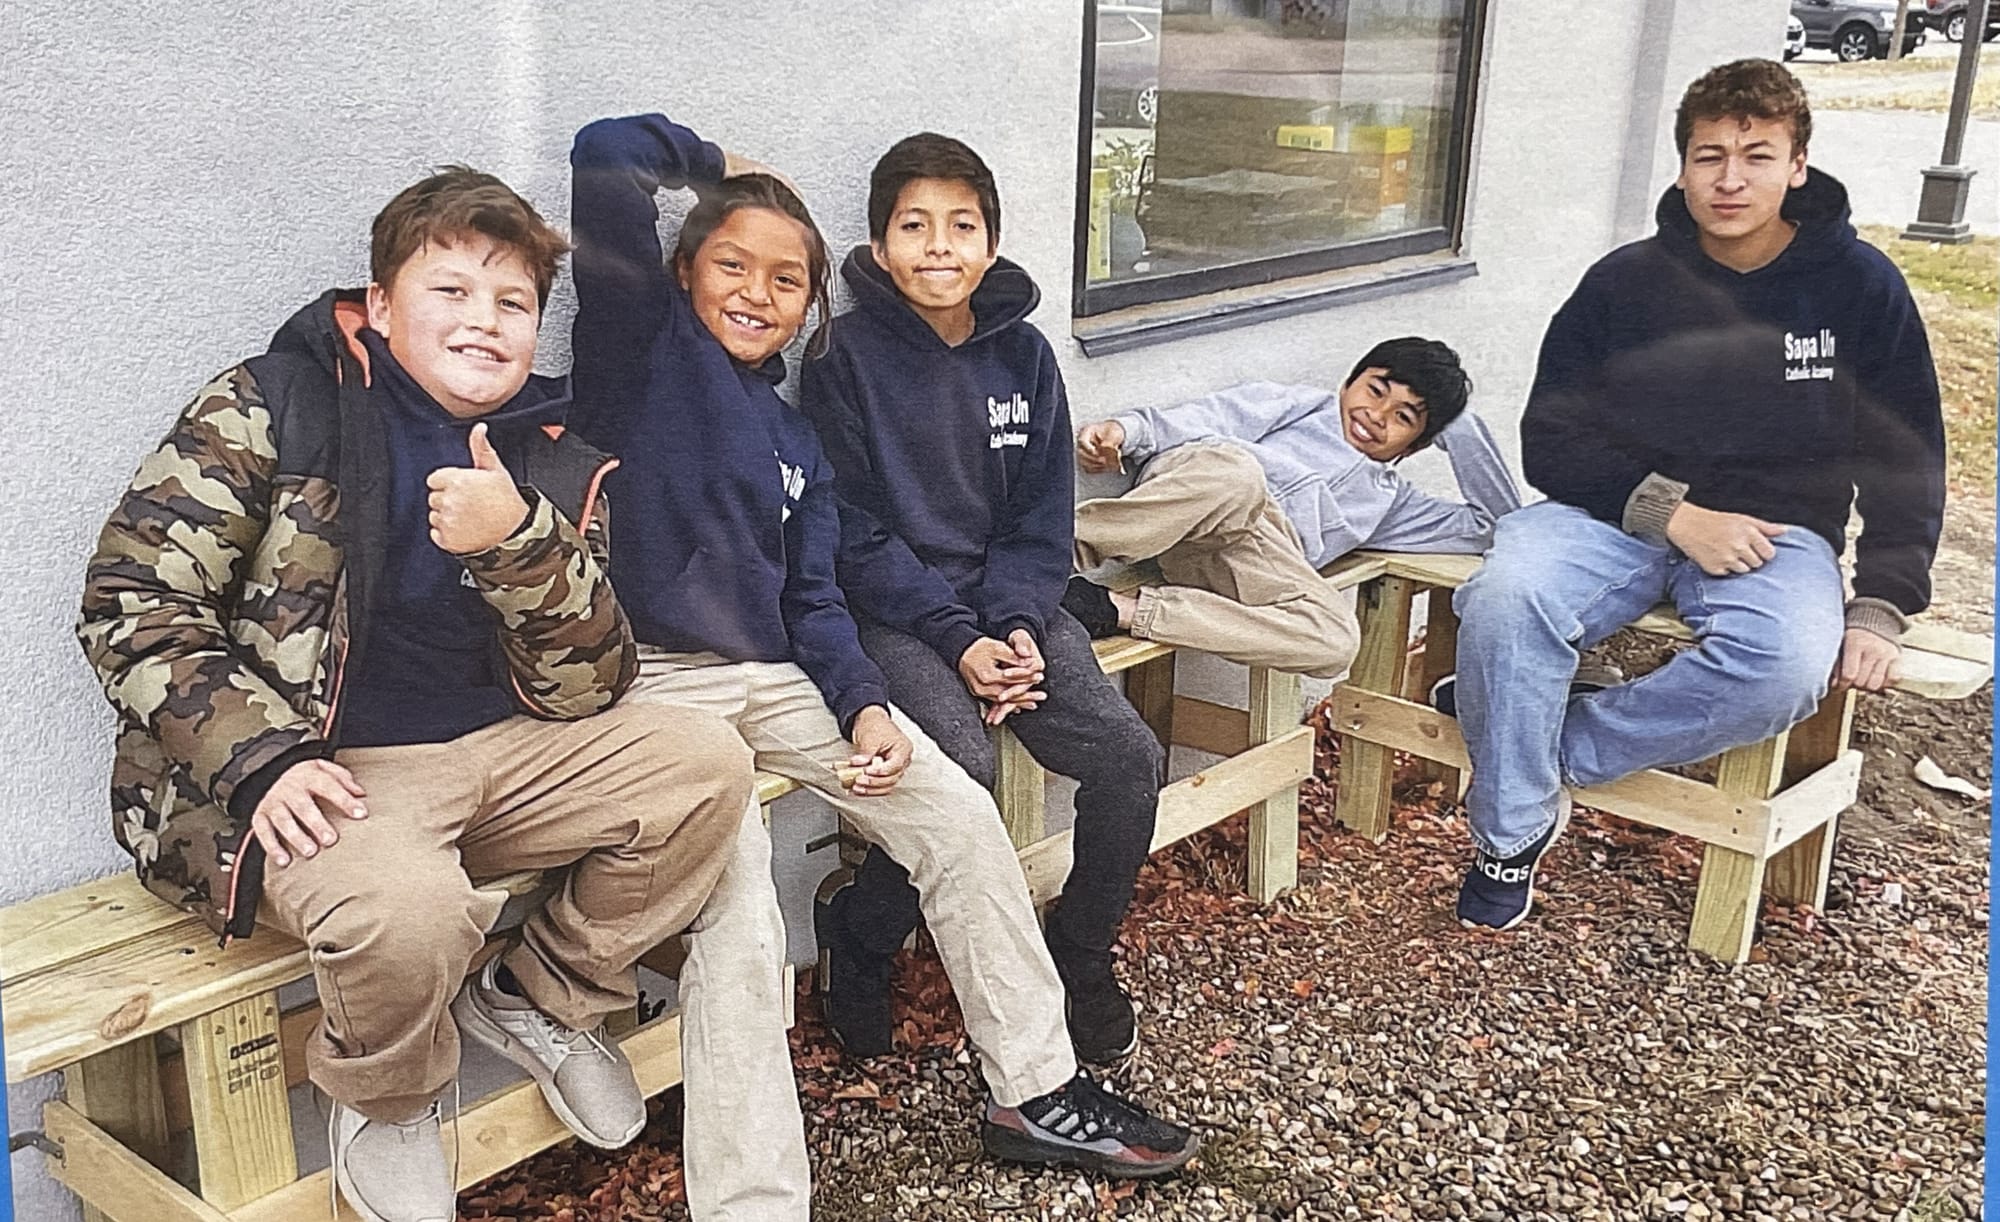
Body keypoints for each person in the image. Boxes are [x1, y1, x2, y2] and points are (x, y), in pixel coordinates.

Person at [76, 168, 751, 1222]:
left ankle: (539, 997)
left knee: (706, 767)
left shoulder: (549, 452)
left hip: (500, 755)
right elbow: (131, 601)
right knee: (411, 910)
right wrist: (262, 759)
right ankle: (386, 1095)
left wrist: (518, 542)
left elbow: (591, 686)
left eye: (513, 301)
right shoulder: (275, 403)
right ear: (382, 306)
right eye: (451, 291)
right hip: (321, 769)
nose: (484, 319)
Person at [566, 113, 1201, 1200]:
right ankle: (755, 1198)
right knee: (739, 916)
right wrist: (720, 166)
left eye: (784, 277)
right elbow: (601, 154)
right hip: (658, 688)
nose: (758, 293)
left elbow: (814, 599)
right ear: (679, 274)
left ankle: (1034, 1088)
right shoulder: (640, 357)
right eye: (732, 267)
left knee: (953, 807)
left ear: (813, 297)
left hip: (777, 676)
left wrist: (862, 705)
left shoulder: (796, 440)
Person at [1438, 58, 1943, 933]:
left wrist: (1883, 605)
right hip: (1615, 513)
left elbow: (1906, 452)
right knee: (1504, 594)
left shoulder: (1860, 287)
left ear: (1798, 163)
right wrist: (1670, 513)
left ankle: (1533, 741)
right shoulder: (1624, 284)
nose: (1731, 177)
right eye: (1709, 155)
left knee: (1784, 670)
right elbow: (1551, 437)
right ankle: (1511, 830)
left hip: (1778, 534)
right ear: (1682, 168)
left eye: (1756, 154)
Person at [800, 132, 1168, 1069]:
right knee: (957, 770)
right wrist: (958, 637)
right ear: (879, 248)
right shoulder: (843, 355)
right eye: (913, 225)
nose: (938, 245)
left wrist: (1012, 623)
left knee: (1128, 759)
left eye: (961, 225)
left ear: (991, 245)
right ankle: (863, 931)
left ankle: (1080, 959)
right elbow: (852, 530)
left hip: (1012, 609)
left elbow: (1042, 519)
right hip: (895, 611)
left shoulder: (1027, 357)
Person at [1066, 337, 1519, 679]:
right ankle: (1054, 551)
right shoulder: (1299, 406)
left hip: (1244, 557)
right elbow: (1208, 418)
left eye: (1403, 417)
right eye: (1375, 390)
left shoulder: (1392, 505)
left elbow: (1494, 525)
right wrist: (1125, 432)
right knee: (1240, 475)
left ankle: (1113, 609)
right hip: (1204, 491)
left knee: (1335, 641)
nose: (1376, 415)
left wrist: (1460, 425)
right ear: (1349, 382)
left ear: (1419, 443)